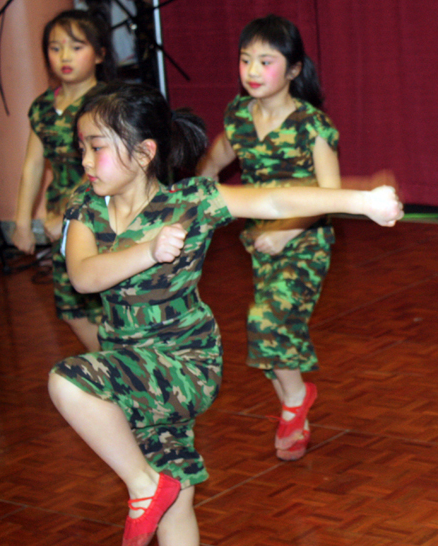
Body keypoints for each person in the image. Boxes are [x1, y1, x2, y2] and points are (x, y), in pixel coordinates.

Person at [47, 81, 402, 546]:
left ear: (143, 152)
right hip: (131, 368)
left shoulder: (191, 201)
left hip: (185, 363)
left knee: (67, 382)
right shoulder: (84, 204)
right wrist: (149, 251)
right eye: (81, 149)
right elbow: (84, 277)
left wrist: (362, 201)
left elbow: (274, 199)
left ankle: (143, 487)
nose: (86, 162)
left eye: (96, 148)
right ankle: (153, 486)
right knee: (177, 499)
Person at [198, 14, 347, 460]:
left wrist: (285, 232)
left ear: (294, 69)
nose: (252, 71)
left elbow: (330, 197)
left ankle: (295, 402)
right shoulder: (239, 116)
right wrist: (194, 194)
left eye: (266, 61)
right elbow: (214, 161)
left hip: (305, 240)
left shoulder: (313, 126)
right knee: (272, 329)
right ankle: (294, 400)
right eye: (246, 60)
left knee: (267, 321)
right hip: (260, 241)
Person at [12, 9, 116, 351]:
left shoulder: (106, 104)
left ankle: (125, 374)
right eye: (55, 48)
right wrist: (22, 222)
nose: (64, 56)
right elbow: (33, 165)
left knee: (107, 306)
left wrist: (68, 216)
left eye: (75, 46)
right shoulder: (43, 107)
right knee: (71, 309)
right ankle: (112, 369)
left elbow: (108, 169)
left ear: (100, 54)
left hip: (102, 214)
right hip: (61, 219)